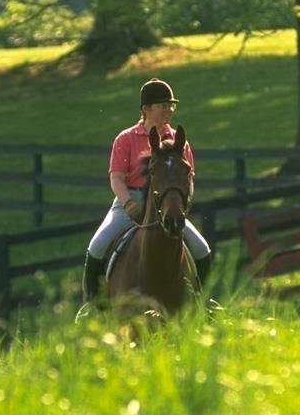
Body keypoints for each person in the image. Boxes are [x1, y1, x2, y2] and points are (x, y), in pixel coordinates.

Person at [82, 78, 213, 305]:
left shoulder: (179, 141)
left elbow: (188, 178)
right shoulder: (126, 139)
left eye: (171, 105)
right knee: (97, 245)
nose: (169, 110)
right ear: (146, 109)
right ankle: (90, 305)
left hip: (168, 203)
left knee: (201, 248)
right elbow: (116, 178)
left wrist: (182, 205)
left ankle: (207, 304)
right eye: (163, 105)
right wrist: (128, 203)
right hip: (129, 200)